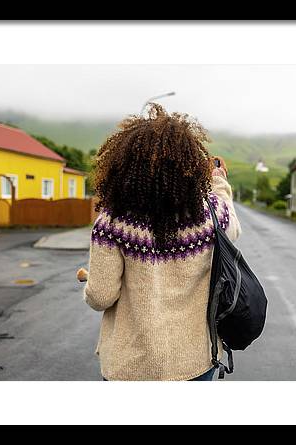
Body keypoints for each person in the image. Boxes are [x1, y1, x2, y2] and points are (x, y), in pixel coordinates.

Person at [76, 103, 241, 381]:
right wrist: (219, 180)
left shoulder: (112, 222)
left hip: (130, 367)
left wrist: (90, 283)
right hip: (195, 362)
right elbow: (231, 223)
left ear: (123, 167)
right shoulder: (211, 214)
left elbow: (101, 297)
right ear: (189, 167)